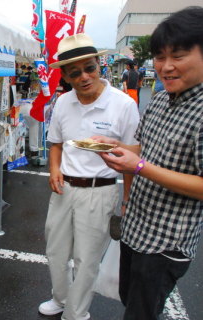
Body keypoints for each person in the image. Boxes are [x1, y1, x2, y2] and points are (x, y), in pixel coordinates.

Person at [95, 7, 203, 320]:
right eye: (159, 57)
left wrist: (139, 167)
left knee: (141, 313)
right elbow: (143, 147)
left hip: (166, 243)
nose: (166, 67)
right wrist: (116, 147)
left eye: (178, 56)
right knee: (130, 300)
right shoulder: (160, 98)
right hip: (136, 227)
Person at [37, 33, 140, 320]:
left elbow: (132, 156)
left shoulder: (123, 105)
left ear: (99, 65)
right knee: (55, 252)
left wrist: (127, 199)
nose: (84, 77)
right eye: (75, 73)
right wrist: (54, 169)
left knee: (86, 259)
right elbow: (56, 143)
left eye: (89, 68)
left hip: (100, 190)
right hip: (63, 188)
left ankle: (76, 313)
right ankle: (60, 298)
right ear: (66, 77)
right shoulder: (63, 103)